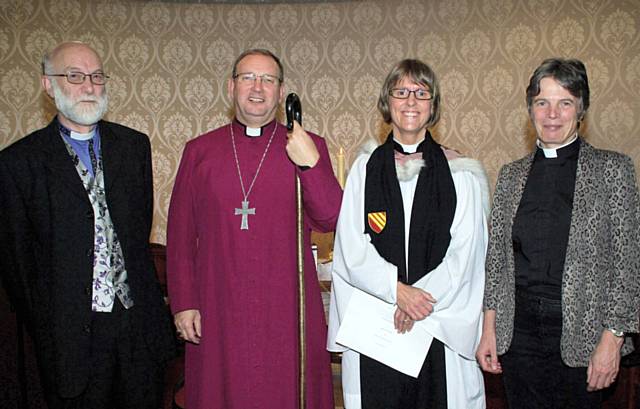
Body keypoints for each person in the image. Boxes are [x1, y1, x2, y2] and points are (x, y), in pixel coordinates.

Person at [0, 41, 176, 409]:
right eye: (75, 76)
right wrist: (53, 323)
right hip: (70, 338)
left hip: (136, 330)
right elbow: (18, 266)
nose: (90, 86)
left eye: (96, 76)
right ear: (49, 85)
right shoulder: (18, 162)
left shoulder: (133, 147)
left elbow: (137, 234)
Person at [166, 48, 342, 409]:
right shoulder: (200, 152)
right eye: (248, 77)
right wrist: (184, 303)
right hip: (218, 306)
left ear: (281, 92)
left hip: (287, 308)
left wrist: (311, 165)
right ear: (231, 87)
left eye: (268, 79)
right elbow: (181, 235)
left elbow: (330, 218)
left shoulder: (308, 146)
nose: (257, 87)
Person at [476, 58, 640, 408]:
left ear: (581, 109)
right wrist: (489, 328)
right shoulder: (511, 176)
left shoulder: (612, 169)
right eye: (542, 102)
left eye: (564, 102)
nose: (552, 113)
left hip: (584, 336)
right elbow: (497, 263)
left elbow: (628, 264)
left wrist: (612, 340)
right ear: (530, 109)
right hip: (518, 336)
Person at [327, 59, 490, 409]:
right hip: (378, 324)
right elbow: (351, 245)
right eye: (401, 92)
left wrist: (420, 300)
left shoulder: (460, 172)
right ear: (388, 103)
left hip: (437, 323)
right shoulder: (365, 168)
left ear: (433, 105)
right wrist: (396, 291)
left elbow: (467, 252)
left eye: (421, 92)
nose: (411, 101)